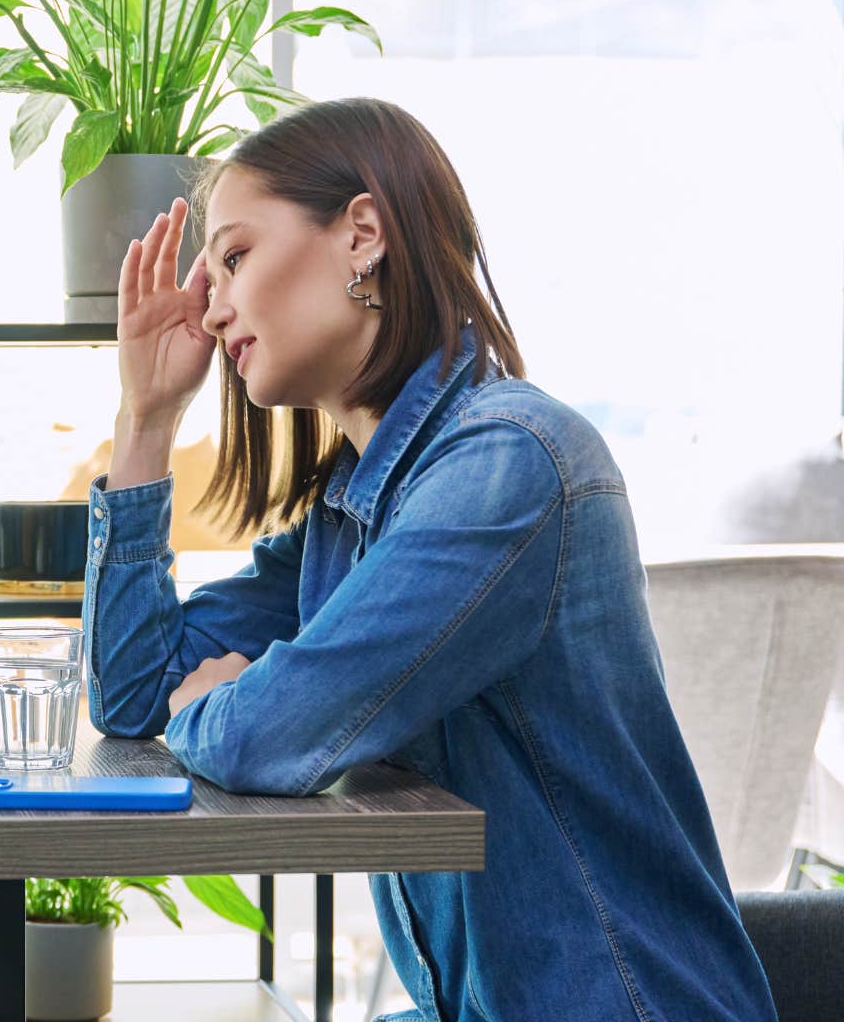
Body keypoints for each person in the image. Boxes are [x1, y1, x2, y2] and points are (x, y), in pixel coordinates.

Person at [84, 98, 775, 1020]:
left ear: (362, 234)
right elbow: (131, 697)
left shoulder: (511, 464)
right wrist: (146, 422)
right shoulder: (351, 514)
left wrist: (209, 701)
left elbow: (266, 735)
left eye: (236, 257)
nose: (209, 311)